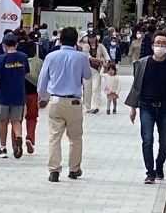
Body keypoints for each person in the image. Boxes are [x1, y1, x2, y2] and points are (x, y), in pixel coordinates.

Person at [125, 30, 166, 184]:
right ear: (152, 45)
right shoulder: (143, 63)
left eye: (163, 43)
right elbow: (136, 86)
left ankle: (159, 165)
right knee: (147, 139)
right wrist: (133, 106)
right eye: (157, 43)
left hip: (165, 106)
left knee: (164, 141)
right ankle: (150, 172)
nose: (160, 46)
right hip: (146, 105)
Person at [37, 26, 92, 182]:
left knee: (55, 136)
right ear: (76, 41)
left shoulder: (51, 56)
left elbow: (43, 79)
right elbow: (88, 75)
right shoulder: (81, 57)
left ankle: (54, 170)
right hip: (74, 101)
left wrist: (43, 97)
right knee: (75, 137)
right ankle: (74, 169)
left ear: (60, 40)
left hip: (55, 100)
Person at [0, 33, 29, 159]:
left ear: (4, 45)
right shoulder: (23, 57)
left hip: (4, 94)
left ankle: (3, 148)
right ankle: (18, 137)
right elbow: (26, 73)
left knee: (3, 121)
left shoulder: (1, 59)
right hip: (19, 93)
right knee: (16, 120)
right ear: (16, 44)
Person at [18, 30, 42, 154]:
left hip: (18, 88)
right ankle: (30, 138)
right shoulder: (38, 49)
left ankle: (16, 141)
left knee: (17, 118)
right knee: (32, 117)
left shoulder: (15, 50)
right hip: (33, 87)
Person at [81, 32, 108, 113]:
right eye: (90, 37)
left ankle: (95, 106)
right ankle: (88, 106)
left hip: (97, 70)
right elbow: (88, 57)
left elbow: (106, 55)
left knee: (96, 87)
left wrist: (106, 61)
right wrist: (99, 60)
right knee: (87, 88)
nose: (92, 39)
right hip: (87, 69)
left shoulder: (100, 46)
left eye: (93, 37)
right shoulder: (86, 46)